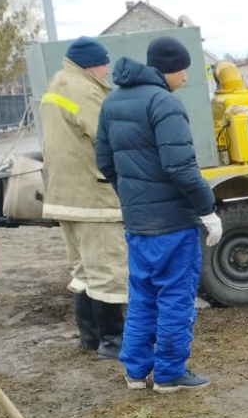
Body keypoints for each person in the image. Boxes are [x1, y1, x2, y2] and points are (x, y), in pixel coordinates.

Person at [95, 36, 222, 393]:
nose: (185, 77)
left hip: (137, 223)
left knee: (142, 296)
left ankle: (135, 372)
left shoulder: (112, 101)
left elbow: (104, 162)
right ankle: (169, 374)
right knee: (174, 297)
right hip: (172, 225)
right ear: (172, 67)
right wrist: (207, 209)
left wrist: (133, 199)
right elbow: (180, 166)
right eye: (183, 69)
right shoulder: (165, 103)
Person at [39, 36, 123, 359]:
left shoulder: (57, 82)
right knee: (107, 270)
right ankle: (113, 342)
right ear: (93, 64)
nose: (106, 72)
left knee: (83, 270)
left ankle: (89, 337)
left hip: (63, 194)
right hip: (93, 196)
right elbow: (108, 134)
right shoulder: (86, 90)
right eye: (105, 65)